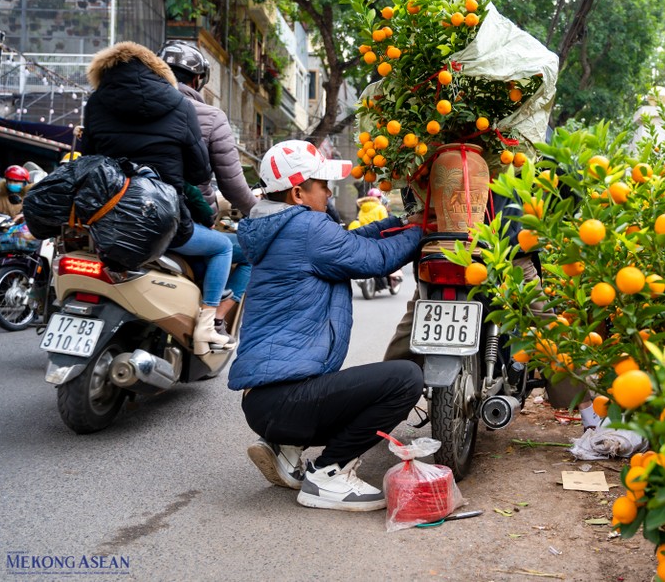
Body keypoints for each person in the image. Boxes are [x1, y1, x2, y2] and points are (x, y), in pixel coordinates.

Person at [228, 139, 423, 511]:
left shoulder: (281, 224)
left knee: (358, 386)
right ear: (299, 193)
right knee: (405, 379)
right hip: (284, 401)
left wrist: (400, 224)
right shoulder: (305, 228)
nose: (329, 191)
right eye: (323, 184)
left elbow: (350, 242)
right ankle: (329, 473)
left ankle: (286, 449)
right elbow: (375, 259)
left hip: (265, 401)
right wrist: (427, 230)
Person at [83, 41, 233, 355]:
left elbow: (88, 160)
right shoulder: (180, 105)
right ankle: (207, 325)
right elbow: (200, 172)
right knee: (222, 247)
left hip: (104, 219)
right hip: (164, 220)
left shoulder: (96, 103)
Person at [158, 40, 255, 336]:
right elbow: (232, 184)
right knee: (244, 249)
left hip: (126, 214)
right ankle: (212, 319)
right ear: (198, 80)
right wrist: (259, 211)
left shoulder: (132, 108)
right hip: (181, 220)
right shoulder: (208, 116)